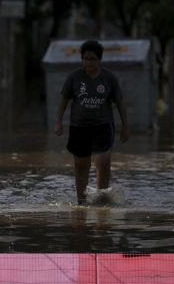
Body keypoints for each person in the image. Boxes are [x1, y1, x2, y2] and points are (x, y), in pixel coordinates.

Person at [54, 40, 130, 205]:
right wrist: (58, 122)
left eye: (92, 59)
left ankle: (101, 198)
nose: (89, 62)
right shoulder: (74, 77)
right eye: (86, 59)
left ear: (99, 60)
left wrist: (125, 127)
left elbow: (120, 103)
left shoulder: (109, 78)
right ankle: (81, 201)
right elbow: (64, 101)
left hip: (103, 125)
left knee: (103, 162)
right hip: (79, 126)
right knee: (81, 164)